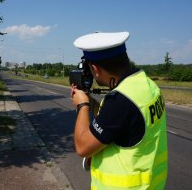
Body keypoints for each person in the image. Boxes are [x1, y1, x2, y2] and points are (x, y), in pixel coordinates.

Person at [71, 32, 168, 190]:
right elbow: (115, 121)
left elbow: (83, 147)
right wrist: (88, 100)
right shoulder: (146, 84)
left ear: (94, 68)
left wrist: (82, 106)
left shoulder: (120, 101)